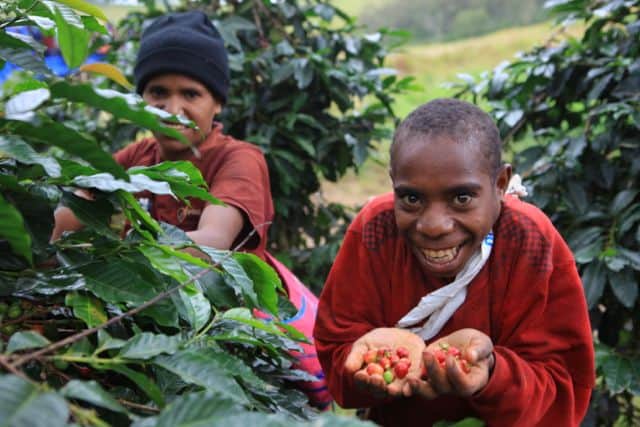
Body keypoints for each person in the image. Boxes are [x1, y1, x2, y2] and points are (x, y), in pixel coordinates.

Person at [51, 10, 331, 410]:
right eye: (158, 92)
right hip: (157, 328)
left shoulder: (238, 160)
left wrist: (115, 250)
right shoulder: (137, 158)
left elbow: (211, 243)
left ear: (217, 101)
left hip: (225, 334)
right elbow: (68, 218)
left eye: (191, 94)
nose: (172, 108)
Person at [313, 98, 595, 426]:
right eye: (411, 198)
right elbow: (337, 350)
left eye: (462, 198)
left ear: (500, 185)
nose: (434, 226)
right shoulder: (376, 231)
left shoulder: (530, 243)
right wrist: (368, 364)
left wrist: (492, 374)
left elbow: (563, 386)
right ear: (394, 184)